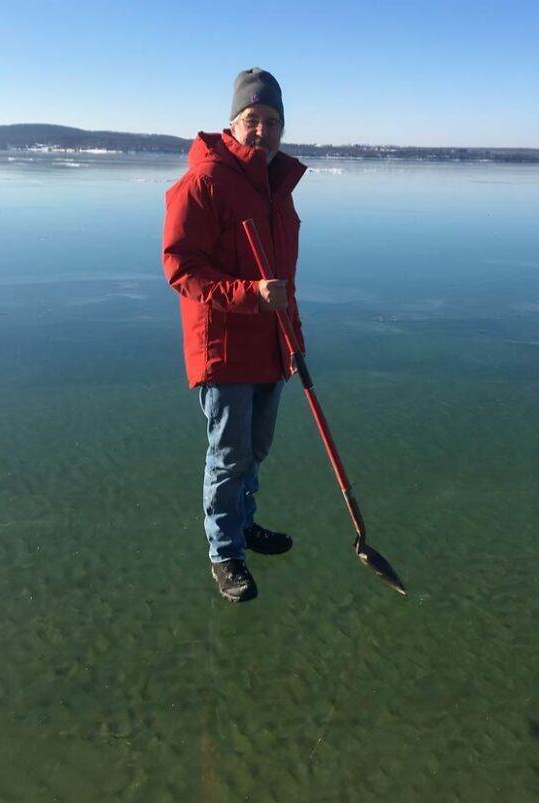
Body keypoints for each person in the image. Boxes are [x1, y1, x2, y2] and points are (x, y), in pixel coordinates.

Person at [162, 68, 307, 602]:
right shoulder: (206, 181)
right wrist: (249, 295)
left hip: (270, 344)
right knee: (229, 456)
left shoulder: (277, 190)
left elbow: (284, 283)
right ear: (233, 122)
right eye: (253, 118)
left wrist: (294, 339)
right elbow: (181, 266)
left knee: (255, 449)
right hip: (223, 347)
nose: (263, 130)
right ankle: (225, 554)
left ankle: (243, 523)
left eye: (272, 121)